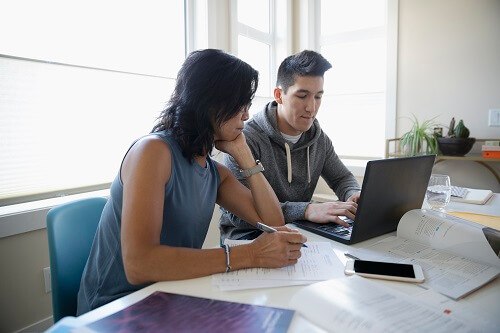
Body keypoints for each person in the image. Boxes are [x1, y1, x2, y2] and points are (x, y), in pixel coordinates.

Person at [77, 49, 307, 314]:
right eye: (240, 105)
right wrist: (251, 254)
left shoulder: (213, 172)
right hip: (115, 308)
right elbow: (139, 264)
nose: (246, 115)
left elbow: (274, 222)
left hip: (169, 295)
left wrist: (246, 157)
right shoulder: (152, 152)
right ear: (211, 103)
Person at [219, 50, 361, 241]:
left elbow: (341, 178)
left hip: (298, 232)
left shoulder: (319, 139)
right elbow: (237, 215)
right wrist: (305, 210)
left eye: (318, 96)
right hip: (249, 237)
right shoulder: (245, 139)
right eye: (302, 96)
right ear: (279, 95)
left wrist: (353, 194)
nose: (311, 107)